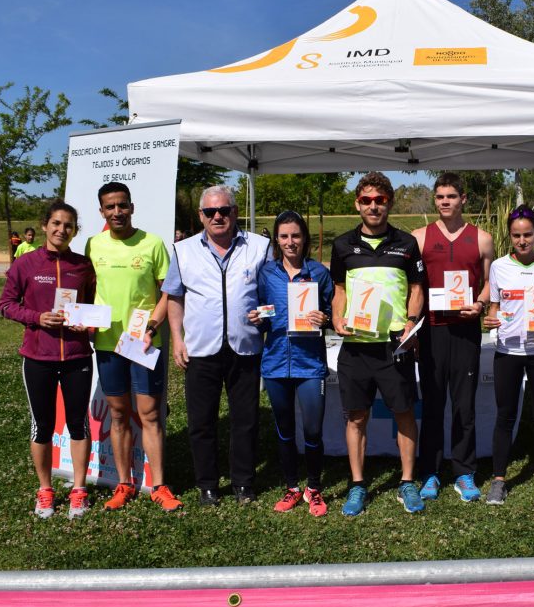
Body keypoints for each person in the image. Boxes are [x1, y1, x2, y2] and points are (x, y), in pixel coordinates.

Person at [163, 185, 272, 506]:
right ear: (201, 216)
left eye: (224, 210)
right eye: (210, 212)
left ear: (235, 212)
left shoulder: (259, 247)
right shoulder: (183, 251)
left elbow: (273, 298)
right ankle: (207, 485)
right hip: (200, 349)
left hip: (246, 348)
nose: (218, 217)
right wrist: (177, 340)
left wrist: (263, 315)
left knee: (245, 420)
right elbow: (174, 297)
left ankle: (243, 483)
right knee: (201, 422)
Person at [330, 171, 426, 516]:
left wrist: (411, 323)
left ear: (389, 203)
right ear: (358, 204)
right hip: (356, 345)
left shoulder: (406, 243)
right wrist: (338, 317)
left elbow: (416, 290)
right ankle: (357, 485)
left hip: (393, 346)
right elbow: (339, 290)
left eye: (380, 200)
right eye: (367, 200)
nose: (373, 206)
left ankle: (407, 482)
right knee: (356, 416)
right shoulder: (342, 245)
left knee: (404, 413)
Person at [85, 182, 182, 512]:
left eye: (122, 205)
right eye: (110, 207)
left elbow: (167, 293)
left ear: (132, 207)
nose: (117, 212)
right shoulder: (92, 245)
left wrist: (153, 326)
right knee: (118, 413)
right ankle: (124, 483)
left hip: (141, 343)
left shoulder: (153, 244)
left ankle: (159, 486)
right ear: (102, 212)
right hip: (109, 344)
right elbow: (87, 290)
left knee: (151, 414)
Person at [0, 200, 96, 519]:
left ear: (75, 231)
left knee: (77, 424)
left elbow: (91, 305)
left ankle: (79, 490)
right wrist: (37, 317)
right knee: (41, 426)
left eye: (68, 225)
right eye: (56, 223)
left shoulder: (83, 265)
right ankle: (45, 490)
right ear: (44, 226)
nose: (61, 230)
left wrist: (87, 322)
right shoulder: (24, 265)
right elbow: (6, 304)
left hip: (77, 356)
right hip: (38, 356)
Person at [411, 172, 494, 503]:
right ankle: (430, 472)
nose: (445, 202)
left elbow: (490, 282)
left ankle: (463, 472)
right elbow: (414, 286)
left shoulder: (482, 239)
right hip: (432, 330)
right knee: (432, 403)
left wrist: (480, 303)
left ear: (463, 199)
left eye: (451, 196)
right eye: (440, 197)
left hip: (465, 330)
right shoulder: (419, 237)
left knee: (464, 405)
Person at [481, 205, 534, 506]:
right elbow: (494, 308)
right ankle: (499, 480)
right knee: (505, 416)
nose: (522, 241)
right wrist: (490, 319)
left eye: (528, 235)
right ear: (510, 237)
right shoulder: (499, 266)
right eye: (516, 236)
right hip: (508, 351)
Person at [257, 211, 333, 516]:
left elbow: (331, 312)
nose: (290, 242)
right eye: (284, 236)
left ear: (305, 238)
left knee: (313, 431)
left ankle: (313, 488)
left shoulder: (319, 273)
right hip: (275, 363)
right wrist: (257, 317)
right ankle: (291, 486)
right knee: (285, 429)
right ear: (277, 239)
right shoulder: (266, 273)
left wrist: (325, 318)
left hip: (310, 363)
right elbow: (261, 314)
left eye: (296, 236)